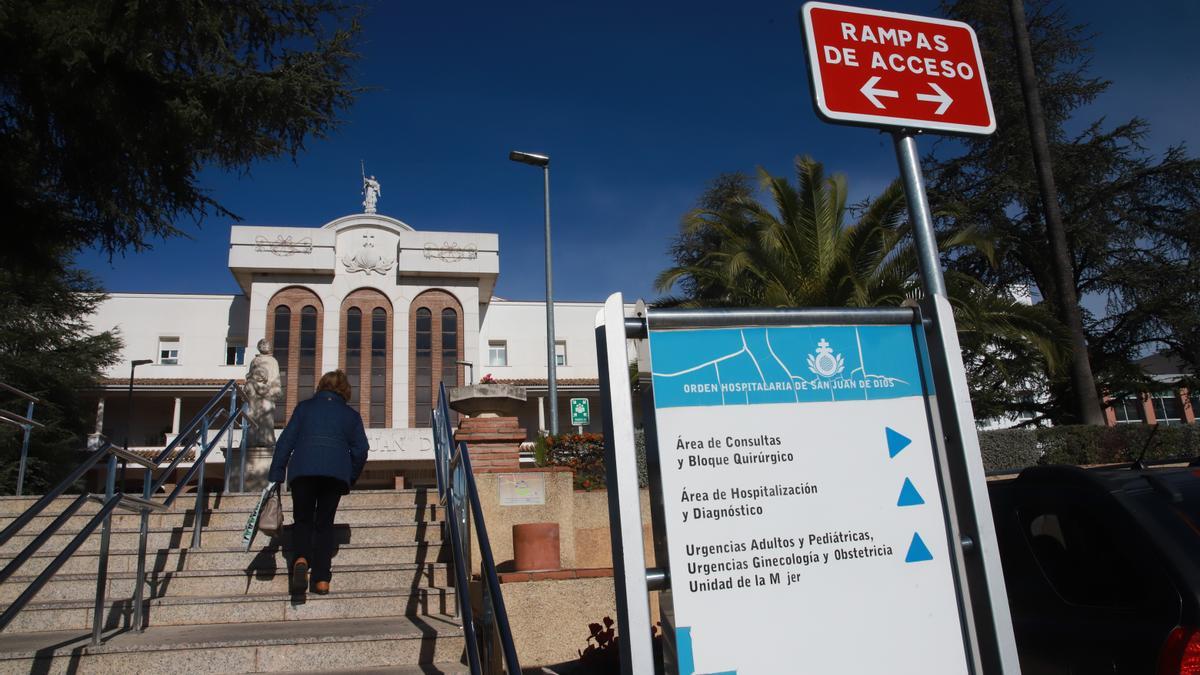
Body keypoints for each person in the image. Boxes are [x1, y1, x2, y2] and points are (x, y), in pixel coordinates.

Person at [268, 370, 369, 595]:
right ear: (345, 390)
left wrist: (276, 473)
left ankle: (301, 558)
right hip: (333, 474)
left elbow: (285, 442)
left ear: (321, 386)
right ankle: (322, 579)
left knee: (303, 519)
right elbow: (361, 450)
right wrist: (350, 476)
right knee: (325, 524)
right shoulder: (350, 416)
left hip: (303, 470)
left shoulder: (304, 409)